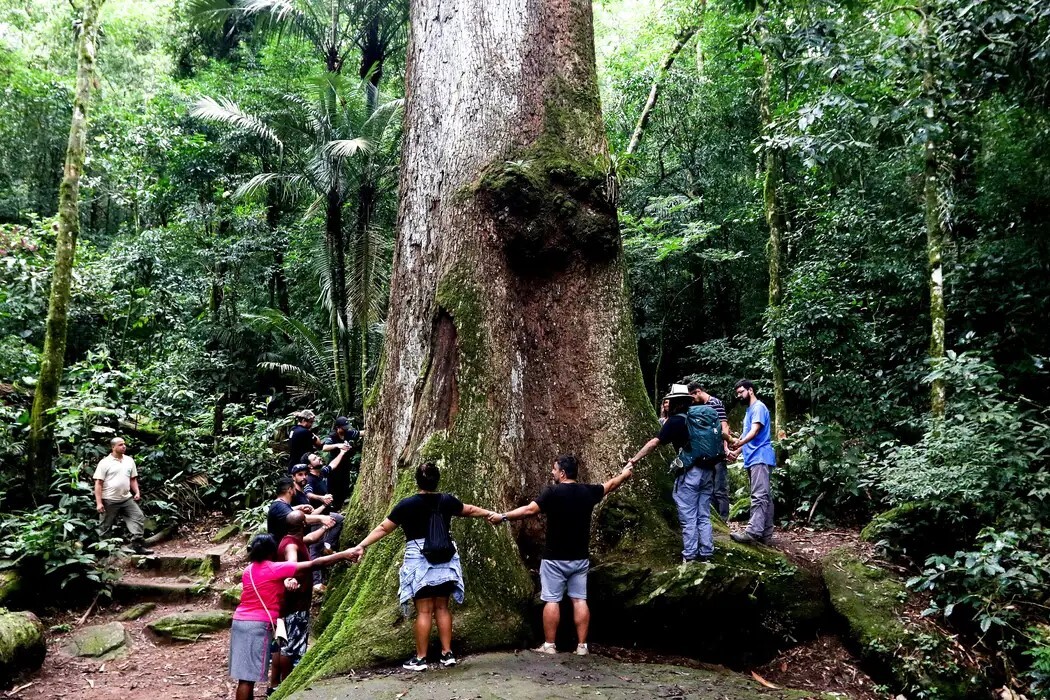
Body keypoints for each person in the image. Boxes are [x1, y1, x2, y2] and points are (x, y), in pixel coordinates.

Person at [348, 462, 497, 671]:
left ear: (416, 481)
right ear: (437, 481)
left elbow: (384, 528)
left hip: (420, 560)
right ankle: (447, 654)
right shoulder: (447, 500)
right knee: (443, 607)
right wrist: (489, 513)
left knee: (425, 611)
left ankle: (420, 658)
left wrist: (361, 545)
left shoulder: (407, 504)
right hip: (445, 558)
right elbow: (469, 510)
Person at [488, 454, 634, 655]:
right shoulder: (587, 492)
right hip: (579, 558)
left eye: (554, 469)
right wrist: (625, 474)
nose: (552, 472)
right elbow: (610, 485)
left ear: (563, 473)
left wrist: (503, 516)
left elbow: (529, 511)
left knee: (552, 600)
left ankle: (549, 645)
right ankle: (582, 646)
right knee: (579, 599)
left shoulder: (552, 493)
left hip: (554, 558)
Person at [229, 533, 353, 700]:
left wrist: (285, 583)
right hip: (257, 625)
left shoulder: (247, 571)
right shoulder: (274, 568)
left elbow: (265, 586)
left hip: (240, 622)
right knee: (247, 680)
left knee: (244, 677)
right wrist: (344, 554)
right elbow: (314, 563)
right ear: (271, 551)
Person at [626, 384, 716, 563]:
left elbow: (654, 443)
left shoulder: (675, 421)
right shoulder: (700, 416)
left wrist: (634, 460)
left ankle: (690, 556)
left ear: (675, 402)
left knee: (688, 515)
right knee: (703, 515)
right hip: (708, 470)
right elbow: (721, 434)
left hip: (690, 473)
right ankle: (706, 553)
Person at [270, 511, 329, 686]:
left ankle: (275, 686)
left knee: (282, 643)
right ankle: (287, 685)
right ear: (303, 525)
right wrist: (291, 577)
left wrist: (325, 527)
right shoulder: (291, 547)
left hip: (287, 604)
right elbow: (292, 564)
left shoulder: (291, 540)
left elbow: (310, 539)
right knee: (290, 647)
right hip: (294, 606)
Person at [729, 379, 777, 544]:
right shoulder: (750, 410)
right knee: (764, 496)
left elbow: (755, 431)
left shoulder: (758, 407)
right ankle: (766, 535)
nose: (739, 395)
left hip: (760, 457)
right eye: (737, 393)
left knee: (758, 495)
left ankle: (752, 532)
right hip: (753, 458)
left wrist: (739, 443)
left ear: (750, 390)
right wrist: (736, 451)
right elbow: (746, 436)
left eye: (741, 392)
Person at [293, 458, 346, 591]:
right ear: (293, 477)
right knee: (314, 549)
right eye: (300, 474)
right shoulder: (296, 493)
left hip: (317, 517)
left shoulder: (304, 489)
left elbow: (332, 465)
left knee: (338, 519)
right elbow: (303, 514)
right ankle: (316, 582)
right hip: (303, 528)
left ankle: (327, 545)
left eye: (305, 474)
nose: (304, 477)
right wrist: (322, 504)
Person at [93, 437, 153, 555]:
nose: (124, 446)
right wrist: (99, 502)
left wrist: (137, 492)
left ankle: (137, 545)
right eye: (120, 445)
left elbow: (133, 479)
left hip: (126, 498)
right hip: (109, 499)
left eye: (124, 444)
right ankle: (105, 552)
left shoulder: (129, 460)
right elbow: (98, 483)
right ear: (113, 447)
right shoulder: (104, 463)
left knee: (138, 517)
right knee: (105, 526)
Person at [688, 381, 732, 522]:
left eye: (693, 397)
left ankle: (724, 519)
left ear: (698, 392)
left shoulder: (715, 403)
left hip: (718, 451)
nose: (692, 400)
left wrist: (726, 447)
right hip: (707, 452)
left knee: (720, 487)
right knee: (709, 487)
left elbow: (724, 426)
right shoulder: (701, 407)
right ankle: (714, 519)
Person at [267, 476, 335, 543]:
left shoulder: (278, 505)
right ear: (290, 490)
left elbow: (287, 510)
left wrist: (300, 507)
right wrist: (321, 518)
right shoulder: (279, 506)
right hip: (280, 547)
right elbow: (297, 518)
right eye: (294, 488)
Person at [321, 416, 364, 509]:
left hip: (345, 466)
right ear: (337, 428)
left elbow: (360, 433)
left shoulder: (348, 433)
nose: (345, 429)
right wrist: (338, 445)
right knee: (333, 488)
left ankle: (339, 506)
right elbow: (325, 448)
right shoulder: (332, 436)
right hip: (334, 466)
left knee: (344, 488)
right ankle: (332, 507)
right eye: (343, 428)